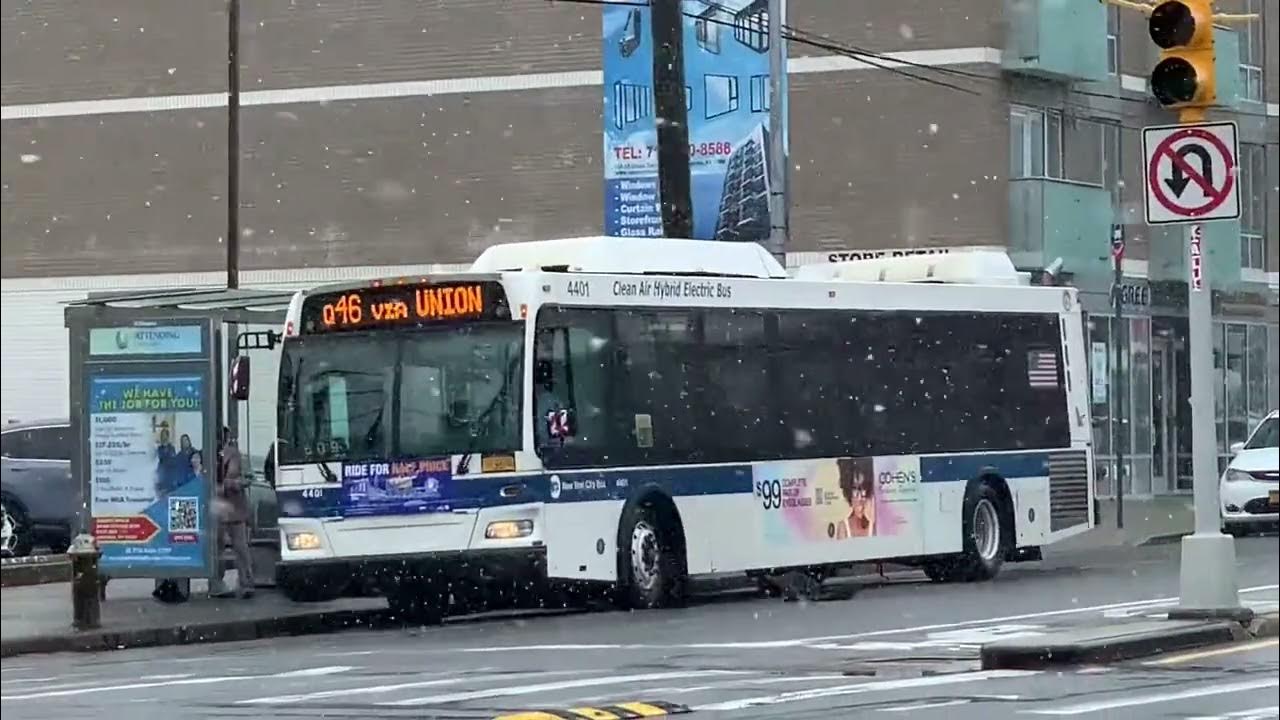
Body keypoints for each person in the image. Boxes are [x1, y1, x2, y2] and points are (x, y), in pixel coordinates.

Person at [209, 426, 254, 599]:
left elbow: (233, 479)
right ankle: (244, 582)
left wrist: (224, 486)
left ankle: (220, 583)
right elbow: (234, 480)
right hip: (228, 508)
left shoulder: (229, 454)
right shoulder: (229, 454)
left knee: (223, 548)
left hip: (225, 508)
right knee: (237, 547)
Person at [833, 458, 876, 540]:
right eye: (855, 489)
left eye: (864, 488)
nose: (860, 498)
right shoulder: (843, 527)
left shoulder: (877, 526)